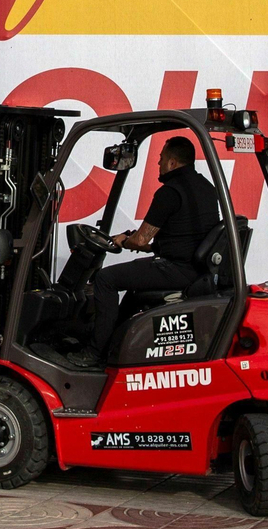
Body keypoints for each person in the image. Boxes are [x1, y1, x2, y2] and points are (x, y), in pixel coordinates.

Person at [93, 136, 221, 361]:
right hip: (196, 270)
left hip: (177, 270)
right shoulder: (207, 188)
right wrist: (149, 244)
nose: (158, 164)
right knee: (133, 294)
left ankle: (95, 353)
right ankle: (117, 345)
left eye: (161, 159)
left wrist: (124, 240)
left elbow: (141, 240)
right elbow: (183, 236)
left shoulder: (170, 192)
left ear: (172, 163)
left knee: (105, 278)